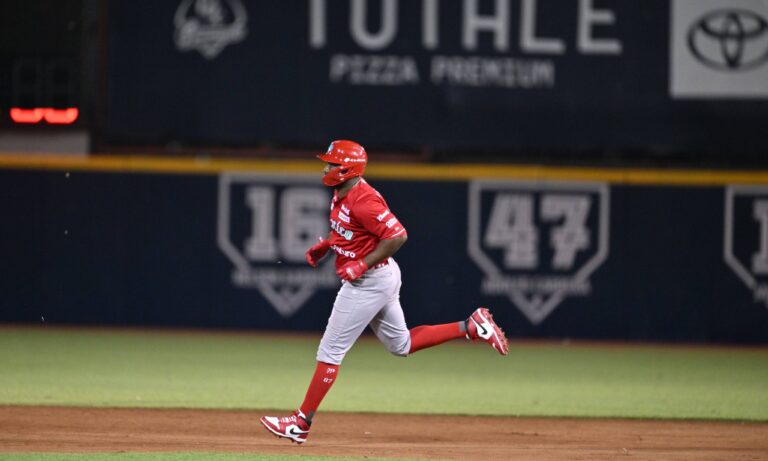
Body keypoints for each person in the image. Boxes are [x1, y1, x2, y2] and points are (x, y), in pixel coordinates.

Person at [260, 140, 508, 444]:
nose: (326, 169)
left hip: (370, 282)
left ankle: (300, 424)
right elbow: (352, 231)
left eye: (332, 164)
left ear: (348, 168)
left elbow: (397, 236)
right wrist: (328, 246)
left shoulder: (363, 199)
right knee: (400, 345)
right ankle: (471, 326)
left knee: (330, 352)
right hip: (382, 277)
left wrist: (361, 264)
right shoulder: (343, 193)